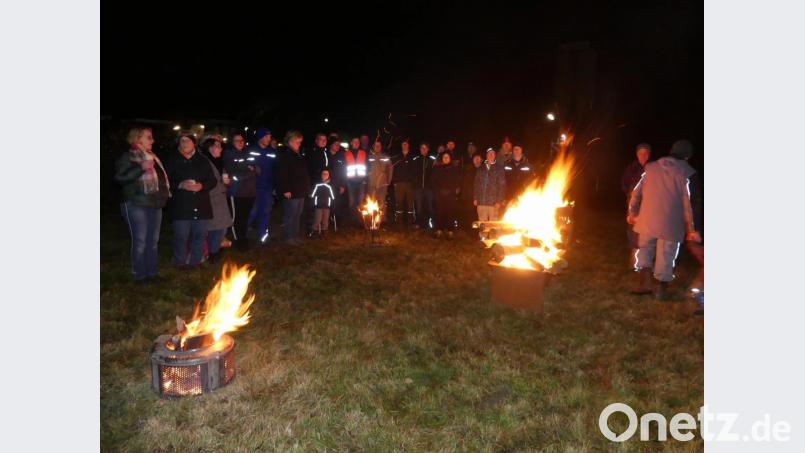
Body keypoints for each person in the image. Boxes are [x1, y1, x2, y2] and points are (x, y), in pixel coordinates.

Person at [628, 139, 702, 300]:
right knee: (666, 256)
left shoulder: (650, 167)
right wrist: (693, 229)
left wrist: (632, 212)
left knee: (644, 252)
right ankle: (660, 291)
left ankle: (644, 285)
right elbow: (692, 202)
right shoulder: (688, 172)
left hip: (646, 220)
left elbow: (636, 192)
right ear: (687, 156)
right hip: (671, 224)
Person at [114, 127, 170, 283]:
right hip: (136, 203)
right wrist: (140, 168)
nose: (153, 140)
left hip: (155, 203)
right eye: (149, 137)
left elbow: (161, 181)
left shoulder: (153, 157)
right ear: (138, 139)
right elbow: (120, 178)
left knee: (153, 242)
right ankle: (139, 275)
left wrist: (164, 196)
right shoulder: (128, 157)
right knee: (141, 241)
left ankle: (152, 273)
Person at [166, 132, 217, 268]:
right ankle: (180, 262)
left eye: (188, 140)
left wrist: (202, 186)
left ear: (194, 143)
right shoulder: (172, 160)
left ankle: (196, 261)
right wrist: (180, 185)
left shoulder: (203, 160)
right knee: (181, 236)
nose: (185, 143)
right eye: (182, 141)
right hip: (181, 205)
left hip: (201, 204)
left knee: (199, 236)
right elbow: (165, 181)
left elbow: (212, 180)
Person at [200, 137, 233, 263]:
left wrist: (227, 183)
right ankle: (212, 253)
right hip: (211, 199)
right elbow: (207, 181)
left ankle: (214, 251)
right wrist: (222, 185)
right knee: (215, 228)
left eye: (221, 146)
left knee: (221, 227)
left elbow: (221, 178)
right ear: (210, 148)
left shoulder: (218, 162)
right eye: (218, 146)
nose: (221, 149)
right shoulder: (205, 162)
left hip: (220, 198)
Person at [275, 130, 310, 245]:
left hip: (300, 190)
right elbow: (282, 174)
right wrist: (285, 189)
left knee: (297, 214)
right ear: (290, 142)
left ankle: (295, 235)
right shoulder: (285, 156)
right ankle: (288, 237)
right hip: (291, 191)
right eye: (297, 142)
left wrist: (306, 187)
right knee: (290, 215)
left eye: (300, 142)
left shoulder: (299, 155)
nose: (299, 144)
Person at [223, 132, 256, 250]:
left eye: (242, 140)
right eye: (237, 140)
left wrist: (252, 170)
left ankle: (243, 237)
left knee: (245, 217)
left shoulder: (248, 153)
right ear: (232, 142)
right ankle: (238, 240)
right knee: (236, 218)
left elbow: (257, 168)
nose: (240, 142)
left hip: (249, 192)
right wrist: (249, 171)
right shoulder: (229, 155)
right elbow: (232, 173)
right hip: (236, 192)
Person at [621, 143, 652, 259]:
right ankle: (634, 259)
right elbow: (624, 183)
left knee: (646, 231)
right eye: (640, 153)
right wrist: (630, 195)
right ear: (637, 154)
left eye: (645, 153)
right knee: (632, 229)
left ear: (649, 155)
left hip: (648, 204)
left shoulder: (653, 168)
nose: (643, 156)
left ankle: (645, 259)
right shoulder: (632, 168)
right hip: (633, 204)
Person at [248, 128, 277, 244]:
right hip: (253, 187)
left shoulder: (271, 151)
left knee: (265, 211)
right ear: (261, 138)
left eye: (269, 137)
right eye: (267, 137)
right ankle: (242, 234)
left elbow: (275, 168)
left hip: (267, 187)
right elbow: (247, 164)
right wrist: (253, 167)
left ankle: (263, 236)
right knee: (252, 211)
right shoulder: (251, 150)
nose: (269, 139)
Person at [431, 152, 461, 238]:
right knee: (439, 212)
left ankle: (450, 230)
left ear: (450, 158)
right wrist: (439, 190)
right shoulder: (437, 168)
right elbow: (433, 181)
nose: (446, 158)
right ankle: (439, 230)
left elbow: (457, 181)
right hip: (439, 194)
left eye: (447, 157)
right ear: (442, 158)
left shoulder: (454, 168)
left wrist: (450, 190)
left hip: (450, 195)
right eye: (444, 157)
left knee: (450, 212)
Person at [474, 148, 506, 222]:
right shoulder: (481, 168)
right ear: (486, 155)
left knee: (493, 225)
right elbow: (476, 184)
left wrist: (499, 201)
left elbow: (502, 186)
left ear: (495, 155)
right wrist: (475, 197)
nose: (491, 155)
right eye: (489, 153)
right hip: (481, 202)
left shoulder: (499, 168)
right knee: (482, 225)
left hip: (493, 203)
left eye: (492, 153)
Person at [367, 140, 393, 222]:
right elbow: (365, 168)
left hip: (382, 184)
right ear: (373, 147)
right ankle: (372, 220)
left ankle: (382, 220)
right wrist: (366, 179)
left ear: (381, 147)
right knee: (371, 202)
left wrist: (388, 180)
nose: (377, 147)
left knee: (382, 202)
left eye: (379, 145)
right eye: (376, 145)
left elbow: (390, 169)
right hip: (372, 184)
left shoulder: (385, 157)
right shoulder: (369, 157)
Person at [412, 142, 437, 229]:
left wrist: (433, 184)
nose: (423, 149)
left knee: (430, 206)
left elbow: (435, 173)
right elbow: (412, 173)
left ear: (428, 149)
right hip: (418, 187)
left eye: (425, 148)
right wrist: (415, 183)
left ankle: (431, 224)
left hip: (429, 187)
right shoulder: (416, 159)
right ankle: (419, 223)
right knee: (418, 206)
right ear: (420, 149)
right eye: (422, 148)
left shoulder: (432, 159)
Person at [344, 137, 367, 225]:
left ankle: (361, 220)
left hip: (361, 181)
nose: (356, 143)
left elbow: (367, 166)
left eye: (357, 141)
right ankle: (353, 220)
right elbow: (343, 168)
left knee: (361, 202)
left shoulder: (363, 153)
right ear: (351, 143)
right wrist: (346, 180)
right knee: (352, 202)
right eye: (354, 141)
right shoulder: (346, 153)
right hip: (350, 182)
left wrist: (365, 179)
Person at [392, 140, 416, 225]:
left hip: (410, 184)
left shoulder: (412, 157)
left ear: (408, 145)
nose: (405, 146)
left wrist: (414, 181)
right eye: (403, 144)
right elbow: (393, 170)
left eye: (406, 144)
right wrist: (394, 181)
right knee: (399, 203)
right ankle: (399, 220)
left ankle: (410, 221)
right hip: (399, 183)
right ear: (401, 146)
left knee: (410, 203)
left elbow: (415, 170)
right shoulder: (397, 157)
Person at [326, 137, 347, 230]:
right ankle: (327, 222)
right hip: (327, 184)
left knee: (337, 204)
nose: (338, 146)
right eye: (336, 144)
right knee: (327, 204)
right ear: (331, 145)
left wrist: (343, 185)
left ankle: (337, 223)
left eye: (339, 144)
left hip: (338, 185)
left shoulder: (341, 156)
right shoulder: (326, 155)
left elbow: (343, 172)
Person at [459, 153, 482, 230]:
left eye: (478, 158)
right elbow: (464, 183)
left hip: (480, 197)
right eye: (475, 158)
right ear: (473, 160)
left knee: (478, 214)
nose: (477, 160)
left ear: (481, 160)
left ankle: (476, 229)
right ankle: (469, 229)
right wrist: (463, 195)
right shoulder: (468, 170)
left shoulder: (483, 170)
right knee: (469, 213)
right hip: (469, 196)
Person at [310, 169, 336, 236]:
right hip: (318, 205)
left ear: (329, 175)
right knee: (318, 218)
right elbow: (313, 194)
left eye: (326, 174)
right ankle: (314, 230)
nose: (325, 175)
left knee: (325, 219)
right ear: (321, 175)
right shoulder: (317, 184)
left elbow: (333, 196)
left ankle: (324, 231)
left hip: (327, 205)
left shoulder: (330, 185)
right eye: (323, 174)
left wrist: (332, 203)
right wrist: (313, 200)